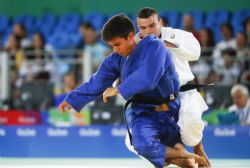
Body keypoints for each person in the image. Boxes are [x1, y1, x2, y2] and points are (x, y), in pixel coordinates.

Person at [58, 14, 205, 168]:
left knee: (191, 129)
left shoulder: (155, 46)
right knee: (141, 145)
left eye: (117, 44)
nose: (115, 50)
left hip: (170, 108)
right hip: (144, 111)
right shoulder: (116, 59)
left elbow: (148, 77)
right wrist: (73, 99)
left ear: (130, 36)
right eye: (112, 46)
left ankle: (195, 149)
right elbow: (96, 82)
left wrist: (117, 89)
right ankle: (180, 157)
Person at [124, 7, 211, 167]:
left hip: (183, 92)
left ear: (160, 23)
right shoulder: (134, 46)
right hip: (153, 102)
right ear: (138, 28)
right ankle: (182, 161)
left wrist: (165, 44)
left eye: (152, 26)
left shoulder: (175, 34)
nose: (148, 31)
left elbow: (195, 52)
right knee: (132, 142)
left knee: (191, 121)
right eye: (143, 28)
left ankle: (198, 149)